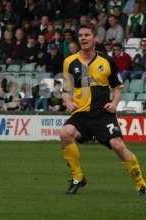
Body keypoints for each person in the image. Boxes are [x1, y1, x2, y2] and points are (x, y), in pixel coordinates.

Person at [59, 24, 146, 196]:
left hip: (102, 114)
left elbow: (118, 87)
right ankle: (78, 178)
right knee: (64, 133)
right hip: (81, 114)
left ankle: (141, 184)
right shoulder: (70, 62)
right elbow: (66, 90)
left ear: (95, 38)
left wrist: (114, 103)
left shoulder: (106, 61)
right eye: (81, 35)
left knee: (118, 145)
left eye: (87, 35)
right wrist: (68, 101)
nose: (83, 38)